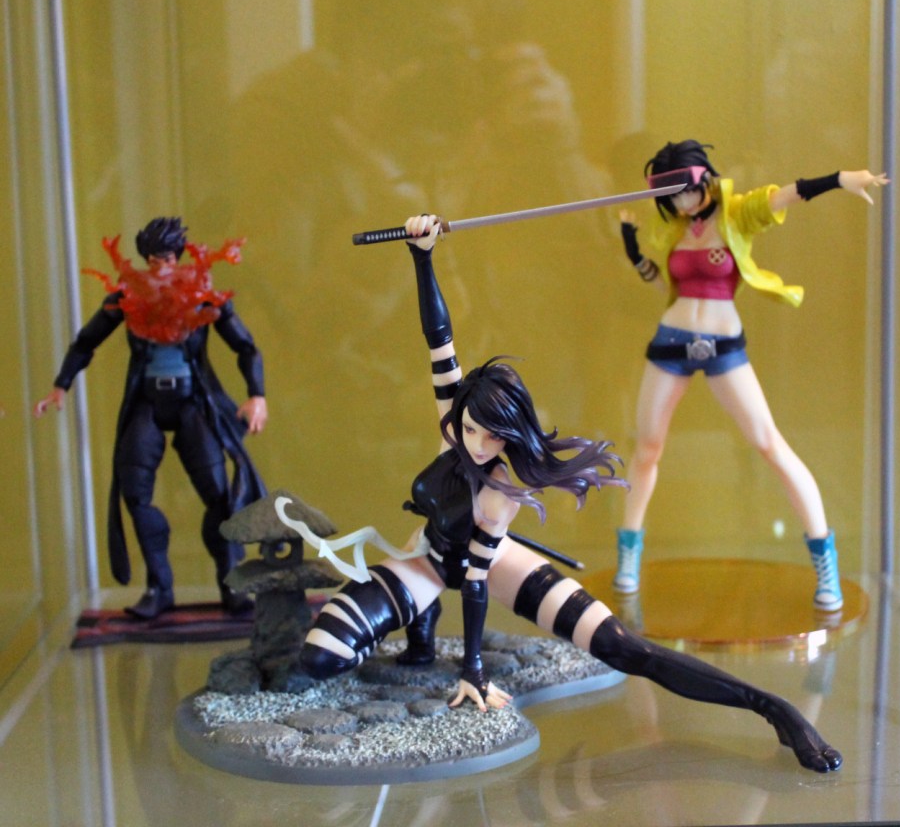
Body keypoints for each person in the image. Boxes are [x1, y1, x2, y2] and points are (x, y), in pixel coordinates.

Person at [297, 213, 842, 773]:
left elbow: (477, 585)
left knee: (622, 647)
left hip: (491, 567)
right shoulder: (451, 423)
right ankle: (420, 627)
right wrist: (422, 256)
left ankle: (774, 709)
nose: (478, 445)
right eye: (472, 429)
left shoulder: (500, 495)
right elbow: (438, 338)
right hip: (427, 560)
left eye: (494, 437)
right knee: (322, 655)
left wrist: (474, 671)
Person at [612, 140, 888, 609]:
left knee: (769, 443)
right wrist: (633, 251)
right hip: (671, 343)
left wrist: (842, 180)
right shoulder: (673, 227)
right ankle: (629, 555)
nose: (681, 202)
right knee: (647, 448)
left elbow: (787, 195)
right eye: (671, 196)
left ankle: (824, 561)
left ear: (704, 178)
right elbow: (663, 283)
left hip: (723, 345)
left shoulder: (737, 213)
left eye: (686, 190)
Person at [34, 217, 268, 619]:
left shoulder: (201, 294)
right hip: (146, 401)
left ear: (178, 257)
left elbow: (245, 346)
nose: (161, 267)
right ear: (144, 260)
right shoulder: (130, 295)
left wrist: (256, 395)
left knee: (219, 493)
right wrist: (61, 385)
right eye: (153, 260)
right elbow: (86, 341)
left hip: (193, 401)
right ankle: (159, 587)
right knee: (135, 491)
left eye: (167, 259)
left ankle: (232, 584)